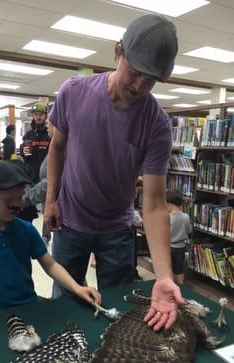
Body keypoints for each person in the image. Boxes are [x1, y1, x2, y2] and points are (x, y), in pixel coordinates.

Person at [45, 14, 184, 332]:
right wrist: (51, 200)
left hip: (117, 231)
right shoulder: (74, 92)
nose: (140, 86)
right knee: (64, 305)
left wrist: (163, 275)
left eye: (151, 80)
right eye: (136, 72)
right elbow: (58, 148)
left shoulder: (157, 124)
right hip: (70, 222)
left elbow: (154, 204)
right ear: (118, 52)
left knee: (120, 310)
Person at [0, 160, 101, 327]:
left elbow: (50, 265)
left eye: (20, 196)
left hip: (28, 313)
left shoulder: (27, 230)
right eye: (9, 200)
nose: (18, 204)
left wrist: (76, 287)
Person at [166, 191, 191, 285]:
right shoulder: (186, 217)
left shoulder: (167, 217)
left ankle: (170, 285)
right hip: (180, 247)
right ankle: (181, 285)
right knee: (179, 268)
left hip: (168, 247)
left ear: (169, 204)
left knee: (168, 268)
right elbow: (188, 231)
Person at [21, 103, 50, 183]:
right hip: (31, 177)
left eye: (40, 114)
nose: (38, 117)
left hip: (47, 177)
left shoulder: (50, 133)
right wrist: (23, 151)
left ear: (45, 116)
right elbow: (24, 153)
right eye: (35, 114)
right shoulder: (29, 134)